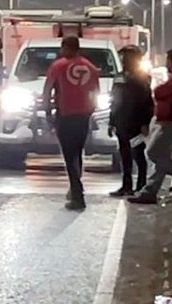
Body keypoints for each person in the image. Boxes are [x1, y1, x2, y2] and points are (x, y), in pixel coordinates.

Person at [129, 48, 172, 205]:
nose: (166, 64)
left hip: (171, 122)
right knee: (162, 159)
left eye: (168, 60)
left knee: (153, 152)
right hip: (171, 121)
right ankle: (149, 192)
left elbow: (160, 92)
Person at [42, 35, 101, 211]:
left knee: (69, 156)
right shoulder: (90, 67)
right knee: (77, 152)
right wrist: (90, 111)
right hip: (83, 116)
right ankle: (75, 188)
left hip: (65, 115)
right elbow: (95, 93)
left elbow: (48, 91)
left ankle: (78, 194)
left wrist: (48, 113)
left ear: (65, 48)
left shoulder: (58, 66)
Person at [108, 45, 152, 197]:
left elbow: (147, 102)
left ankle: (141, 186)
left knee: (138, 155)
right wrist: (111, 121)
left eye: (128, 56)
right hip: (121, 121)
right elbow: (114, 100)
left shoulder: (143, 77)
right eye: (123, 56)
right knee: (124, 155)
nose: (124, 59)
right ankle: (126, 186)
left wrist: (145, 123)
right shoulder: (119, 76)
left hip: (136, 123)